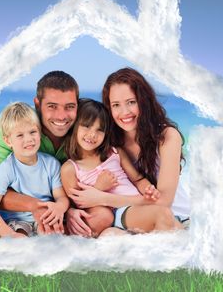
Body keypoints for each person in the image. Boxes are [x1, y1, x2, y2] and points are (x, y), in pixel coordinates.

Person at [0, 71, 113, 235]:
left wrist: (67, 210)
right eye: (52, 106)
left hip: (58, 209)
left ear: (77, 106)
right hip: (21, 213)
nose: (61, 116)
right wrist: (34, 205)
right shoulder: (15, 126)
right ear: (38, 104)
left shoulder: (85, 131)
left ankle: (54, 244)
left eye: (69, 107)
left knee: (103, 216)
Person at [68, 68, 190, 230]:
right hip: (135, 215)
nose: (124, 112)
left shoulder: (167, 136)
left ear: (143, 101)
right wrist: (71, 211)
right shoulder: (110, 143)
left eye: (131, 102)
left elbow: (164, 201)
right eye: (116, 105)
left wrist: (102, 198)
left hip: (178, 216)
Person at [62, 99, 180, 236]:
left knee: (176, 226)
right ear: (74, 126)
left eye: (100, 130)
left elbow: (137, 179)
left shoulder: (115, 153)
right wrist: (99, 187)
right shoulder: (70, 168)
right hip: (120, 211)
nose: (92, 134)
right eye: (86, 126)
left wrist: (149, 191)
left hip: (137, 206)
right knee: (163, 214)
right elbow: (78, 204)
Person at [0, 102, 69, 237]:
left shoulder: (51, 164)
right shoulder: (7, 168)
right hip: (18, 221)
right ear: (8, 141)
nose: (28, 139)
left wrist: (59, 207)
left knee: (58, 237)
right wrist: (9, 234)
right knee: (22, 240)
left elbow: (62, 197)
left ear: (39, 133)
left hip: (46, 217)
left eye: (32, 132)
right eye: (20, 135)